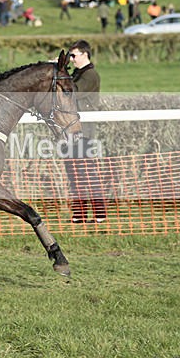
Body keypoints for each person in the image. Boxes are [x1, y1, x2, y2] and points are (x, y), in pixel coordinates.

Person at [65, 40, 107, 224]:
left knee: (88, 173)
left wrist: (59, 74)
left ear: (85, 54)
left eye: (73, 55)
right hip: (72, 132)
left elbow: (73, 92)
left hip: (85, 132)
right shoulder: (77, 74)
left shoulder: (90, 75)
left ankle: (99, 214)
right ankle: (80, 214)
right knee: (74, 173)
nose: (71, 59)